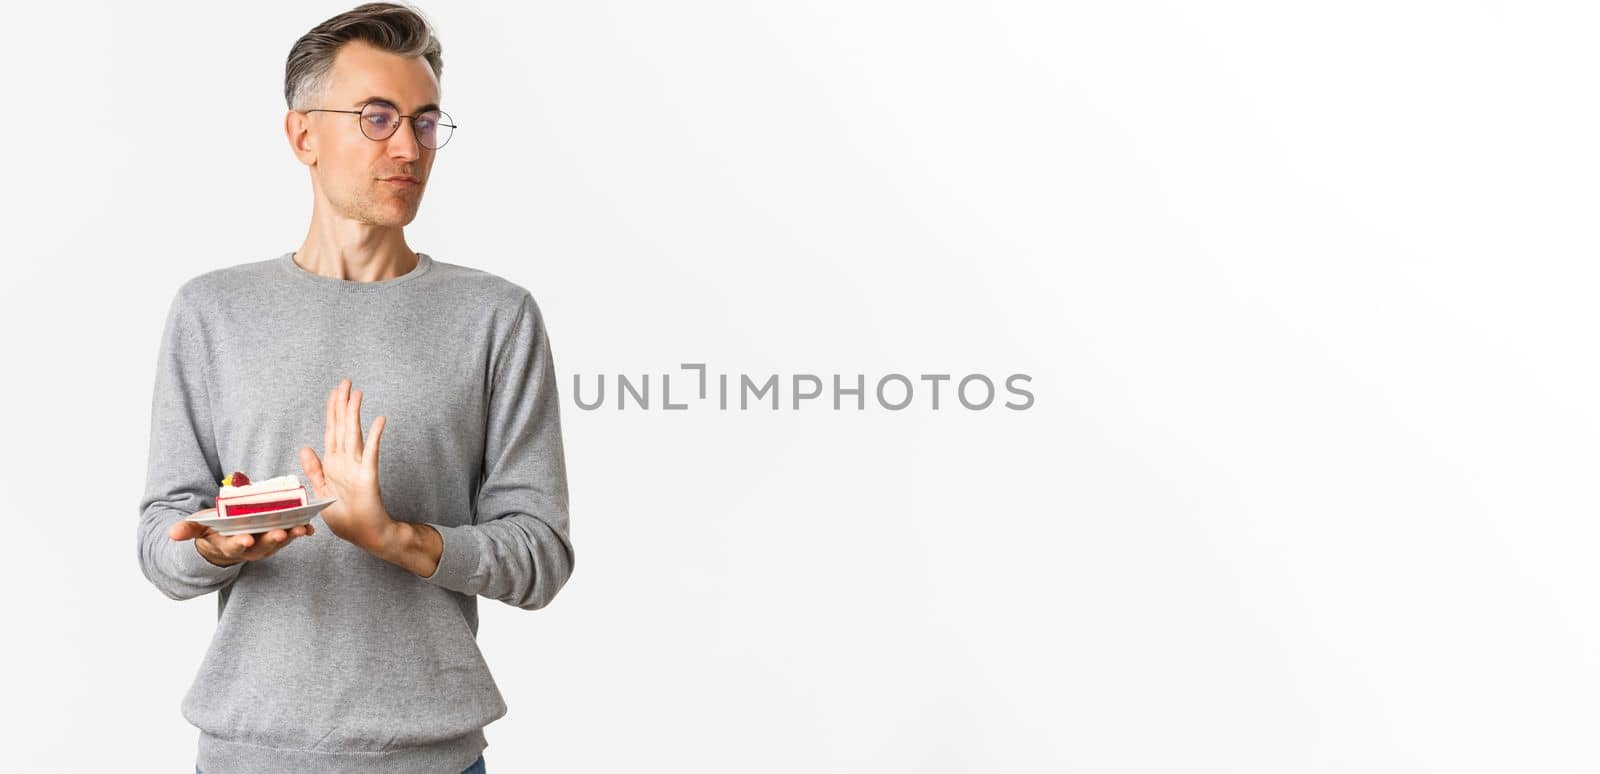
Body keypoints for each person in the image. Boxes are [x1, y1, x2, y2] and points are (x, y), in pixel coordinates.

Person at [135, 4, 574, 772]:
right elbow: (162, 543)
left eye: (425, 121)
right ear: (302, 134)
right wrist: (221, 545)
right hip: (248, 755)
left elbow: (540, 556)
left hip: (432, 758)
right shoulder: (213, 311)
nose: (408, 146)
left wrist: (397, 538)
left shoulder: (495, 316)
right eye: (376, 118)